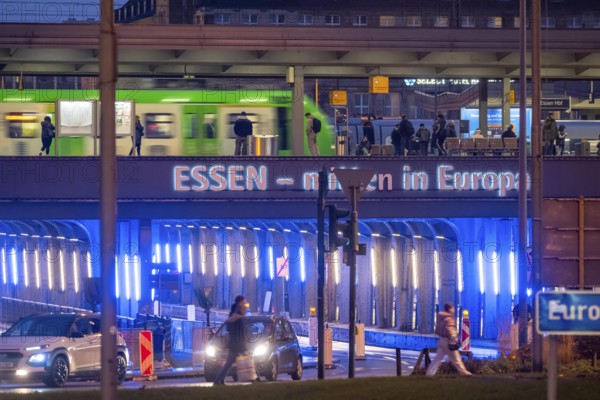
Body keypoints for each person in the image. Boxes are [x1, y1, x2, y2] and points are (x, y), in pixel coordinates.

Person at [426, 303, 472, 377]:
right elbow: (450, 329)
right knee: (456, 359)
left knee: (437, 359)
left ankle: (429, 374)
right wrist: (454, 338)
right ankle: (465, 373)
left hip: (441, 340)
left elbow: (438, 329)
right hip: (448, 341)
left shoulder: (440, 317)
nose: (454, 310)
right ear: (450, 309)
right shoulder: (449, 318)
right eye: (453, 308)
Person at [213, 297, 248, 385]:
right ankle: (218, 380)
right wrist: (243, 346)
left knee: (228, 364)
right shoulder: (236, 315)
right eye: (244, 301)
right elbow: (237, 330)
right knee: (229, 364)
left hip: (237, 344)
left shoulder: (238, 314)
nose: (245, 303)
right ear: (240, 302)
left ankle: (219, 380)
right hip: (236, 344)